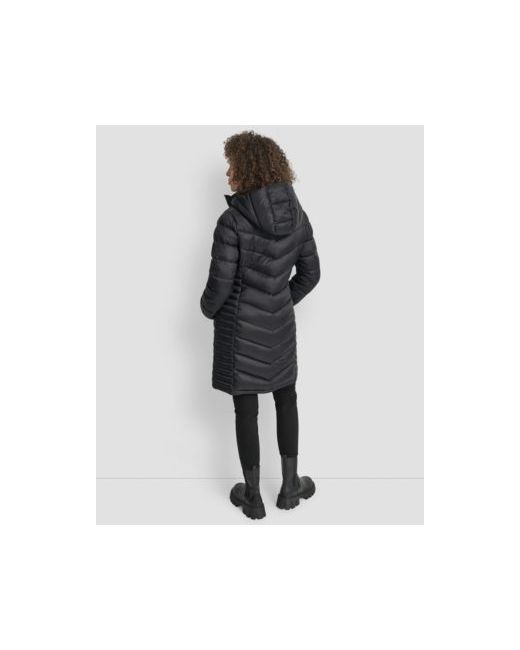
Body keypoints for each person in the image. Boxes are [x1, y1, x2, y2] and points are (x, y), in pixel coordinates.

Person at [200, 130, 321, 520]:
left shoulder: (232, 221)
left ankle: (252, 496)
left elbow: (218, 287)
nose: (228, 173)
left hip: (240, 332)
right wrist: (279, 302)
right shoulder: (298, 216)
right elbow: (311, 274)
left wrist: (207, 308)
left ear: (246, 168)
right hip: (280, 327)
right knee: (287, 399)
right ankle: (290, 487)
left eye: (232, 166)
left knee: (246, 409)